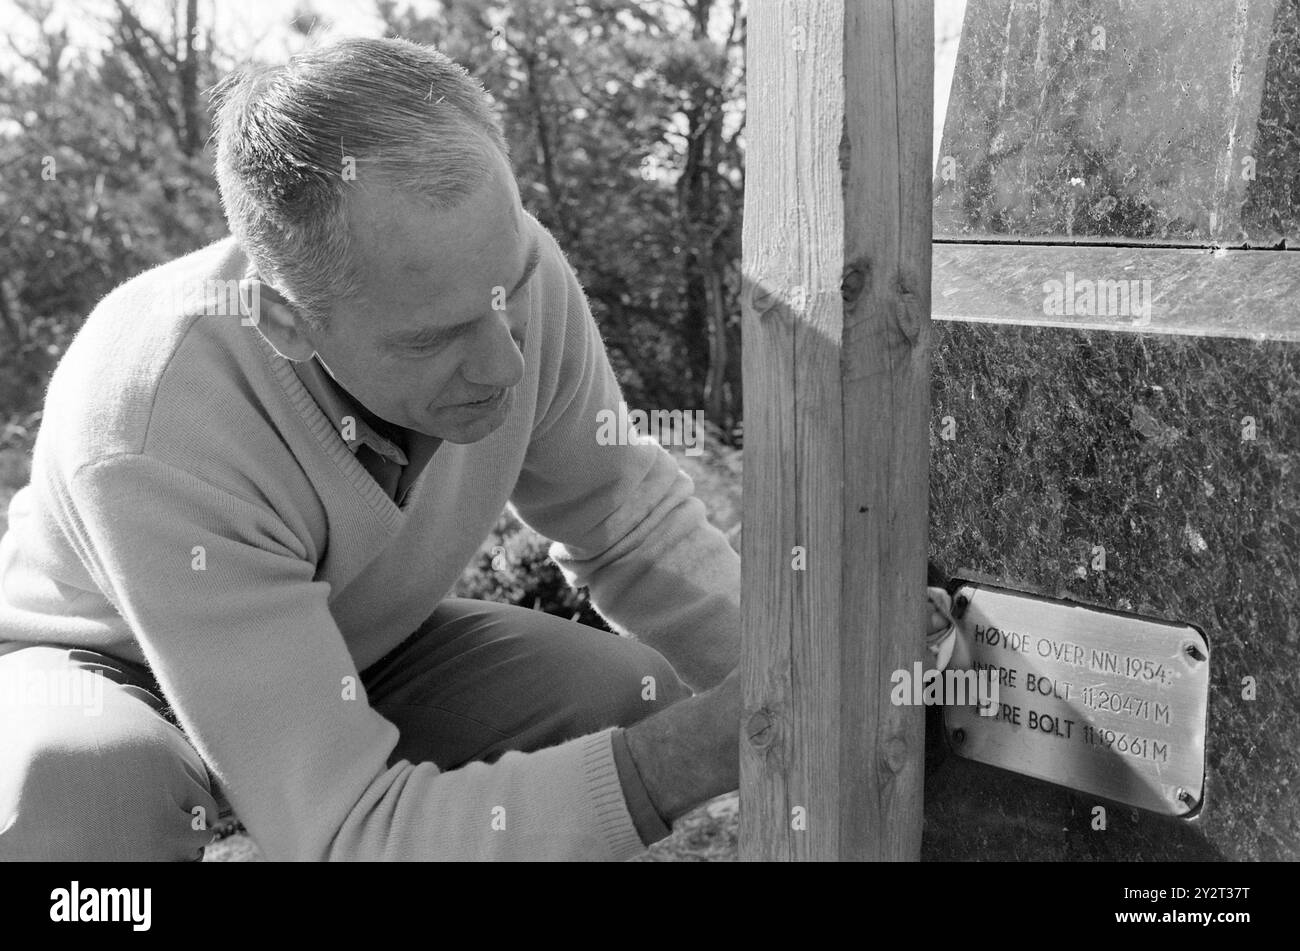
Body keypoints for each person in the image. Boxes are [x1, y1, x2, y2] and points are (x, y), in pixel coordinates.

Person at [0, 37, 949, 861]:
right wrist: (719, 739)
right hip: (107, 667)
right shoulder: (151, 422)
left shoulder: (496, 271)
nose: (504, 364)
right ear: (287, 323)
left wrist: (817, 669)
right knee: (80, 803)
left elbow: (628, 518)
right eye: (432, 339)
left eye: (514, 286)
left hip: (358, 648)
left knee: (630, 691)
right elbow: (340, 835)